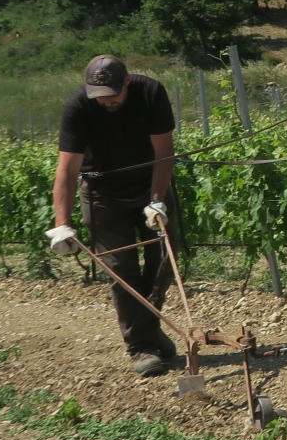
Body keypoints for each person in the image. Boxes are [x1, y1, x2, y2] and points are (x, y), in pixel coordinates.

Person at [45, 55, 184, 377]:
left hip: (149, 189)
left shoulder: (151, 93)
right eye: (99, 94)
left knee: (164, 262)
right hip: (102, 195)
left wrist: (157, 201)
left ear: (127, 82)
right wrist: (61, 224)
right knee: (121, 270)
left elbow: (165, 153)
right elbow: (66, 169)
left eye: (112, 93)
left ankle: (146, 330)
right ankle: (141, 347)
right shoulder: (78, 107)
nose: (106, 100)